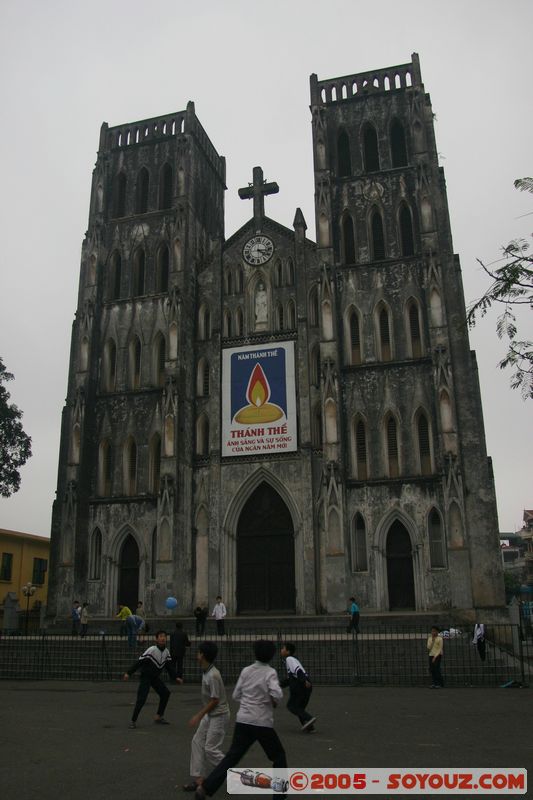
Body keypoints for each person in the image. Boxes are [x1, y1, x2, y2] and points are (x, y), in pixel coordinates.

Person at [195, 640, 287, 800]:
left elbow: (236, 694)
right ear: (271, 656)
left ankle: (206, 788)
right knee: (278, 756)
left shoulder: (246, 670)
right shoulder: (270, 672)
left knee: (232, 756)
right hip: (262, 721)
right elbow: (277, 694)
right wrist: (271, 700)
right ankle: (280, 795)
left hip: (243, 720)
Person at [183, 641, 230, 793]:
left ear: (203, 655)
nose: (197, 654)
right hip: (211, 715)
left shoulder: (213, 675)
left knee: (210, 748)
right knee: (197, 741)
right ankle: (199, 779)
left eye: (199, 652)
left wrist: (199, 715)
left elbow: (215, 700)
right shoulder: (207, 671)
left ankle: (233, 775)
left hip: (219, 715)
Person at [123, 629, 181, 728]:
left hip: (155, 678)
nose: (163, 638)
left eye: (164, 636)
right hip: (146, 677)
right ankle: (133, 721)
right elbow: (139, 662)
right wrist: (129, 673)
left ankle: (159, 716)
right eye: (161, 636)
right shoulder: (152, 650)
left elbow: (169, 667)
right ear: (156, 639)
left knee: (165, 693)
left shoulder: (166, 652)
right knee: (141, 699)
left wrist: (176, 677)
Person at [279, 642, 316, 732]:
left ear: (288, 651)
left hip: (301, 685)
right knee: (299, 708)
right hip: (304, 685)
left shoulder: (289, 659)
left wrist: (304, 681)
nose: (281, 650)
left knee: (292, 706)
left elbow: (298, 670)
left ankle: (309, 718)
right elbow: (290, 678)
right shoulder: (292, 660)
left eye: (283, 648)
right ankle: (309, 727)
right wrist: (278, 685)